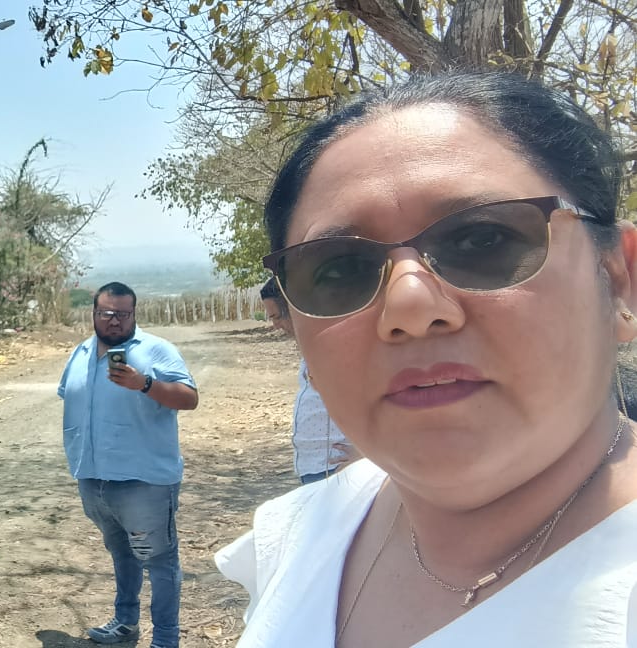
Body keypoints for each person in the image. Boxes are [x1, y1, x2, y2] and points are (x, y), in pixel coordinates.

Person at [214, 71, 637, 647]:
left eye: (483, 239)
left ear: (619, 277)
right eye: (340, 269)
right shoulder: (300, 538)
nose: (409, 306)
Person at [57, 282, 199, 647]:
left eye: (122, 314)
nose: (114, 320)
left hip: (144, 481)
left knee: (159, 561)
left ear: (134, 314)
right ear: (93, 313)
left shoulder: (156, 350)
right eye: (106, 312)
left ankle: (165, 639)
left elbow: (189, 398)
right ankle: (125, 622)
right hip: (94, 477)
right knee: (121, 553)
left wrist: (145, 384)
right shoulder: (81, 352)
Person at [260, 280, 358, 484]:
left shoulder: (341, 351)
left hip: (338, 467)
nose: (275, 325)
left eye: (277, 317)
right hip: (314, 466)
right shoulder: (311, 350)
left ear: (293, 310)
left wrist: (366, 456)